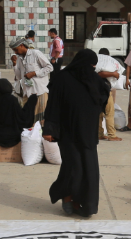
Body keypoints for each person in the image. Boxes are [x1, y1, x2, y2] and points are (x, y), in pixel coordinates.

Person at [43, 49, 110, 217]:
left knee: (88, 170)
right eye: (90, 66)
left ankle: (84, 205)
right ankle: (67, 197)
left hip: (86, 135)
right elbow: (53, 105)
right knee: (73, 167)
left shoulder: (94, 80)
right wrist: (49, 130)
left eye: (93, 67)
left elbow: (104, 97)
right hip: (69, 133)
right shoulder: (62, 79)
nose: (91, 70)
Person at [0, 78, 33, 162]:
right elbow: (21, 116)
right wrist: (31, 102)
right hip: (13, 135)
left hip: (0, 135)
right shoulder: (12, 100)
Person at [11, 35, 53, 123]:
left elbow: (49, 67)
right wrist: (14, 64)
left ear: (22, 45)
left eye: (16, 49)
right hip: (27, 93)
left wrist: (34, 73)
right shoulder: (19, 59)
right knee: (28, 119)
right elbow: (19, 77)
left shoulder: (36, 54)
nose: (15, 52)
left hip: (39, 92)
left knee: (41, 120)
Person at [95, 47, 124, 141]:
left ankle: (99, 133)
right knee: (109, 112)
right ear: (108, 55)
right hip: (104, 89)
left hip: (94, 89)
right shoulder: (110, 61)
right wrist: (114, 74)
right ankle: (112, 135)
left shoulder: (95, 61)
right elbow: (101, 73)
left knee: (99, 112)